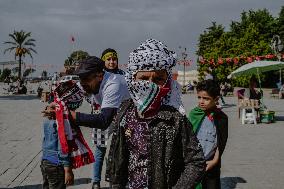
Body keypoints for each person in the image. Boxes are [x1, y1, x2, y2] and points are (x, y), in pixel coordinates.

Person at [107, 39, 205, 189]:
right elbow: (117, 158)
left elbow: (196, 161)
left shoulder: (175, 118)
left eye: (158, 79)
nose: (150, 84)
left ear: (167, 82)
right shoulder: (125, 112)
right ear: (133, 79)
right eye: (144, 78)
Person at [71, 56, 130, 189]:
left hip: (130, 122)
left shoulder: (113, 83)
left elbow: (104, 121)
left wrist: (72, 116)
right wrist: (56, 105)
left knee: (120, 159)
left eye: (85, 79)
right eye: (80, 79)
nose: (82, 83)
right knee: (101, 151)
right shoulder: (88, 81)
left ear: (99, 75)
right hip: (115, 117)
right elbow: (68, 94)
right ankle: (96, 181)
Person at [41, 80, 95, 189]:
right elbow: (63, 146)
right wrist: (68, 169)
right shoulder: (62, 121)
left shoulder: (50, 115)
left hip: (45, 161)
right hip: (57, 164)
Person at [188, 79, 228, 189]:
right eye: (199, 97)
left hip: (211, 164)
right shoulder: (194, 114)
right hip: (193, 163)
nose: (201, 101)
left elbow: (221, 142)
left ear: (216, 99)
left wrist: (214, 161)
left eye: (206, 99)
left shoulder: (221, 118)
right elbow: (187, 139)